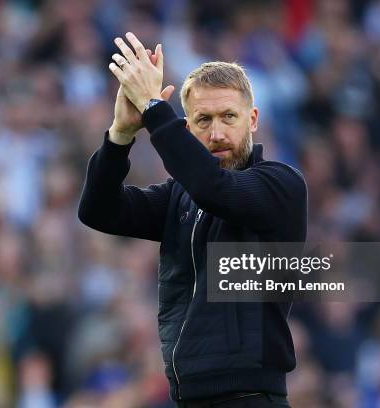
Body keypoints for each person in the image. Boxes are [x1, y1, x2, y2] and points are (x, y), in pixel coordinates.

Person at [78, 32, 307, 408]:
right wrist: (119, 135)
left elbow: (213, 187)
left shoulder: (281, 185)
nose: (217, 133)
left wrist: (154, 107)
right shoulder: (178, 198)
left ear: (252, 120)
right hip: (187, 398)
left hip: (249, 397)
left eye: (228, 117)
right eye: (203, 120)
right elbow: (97, 209)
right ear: (187, 130)